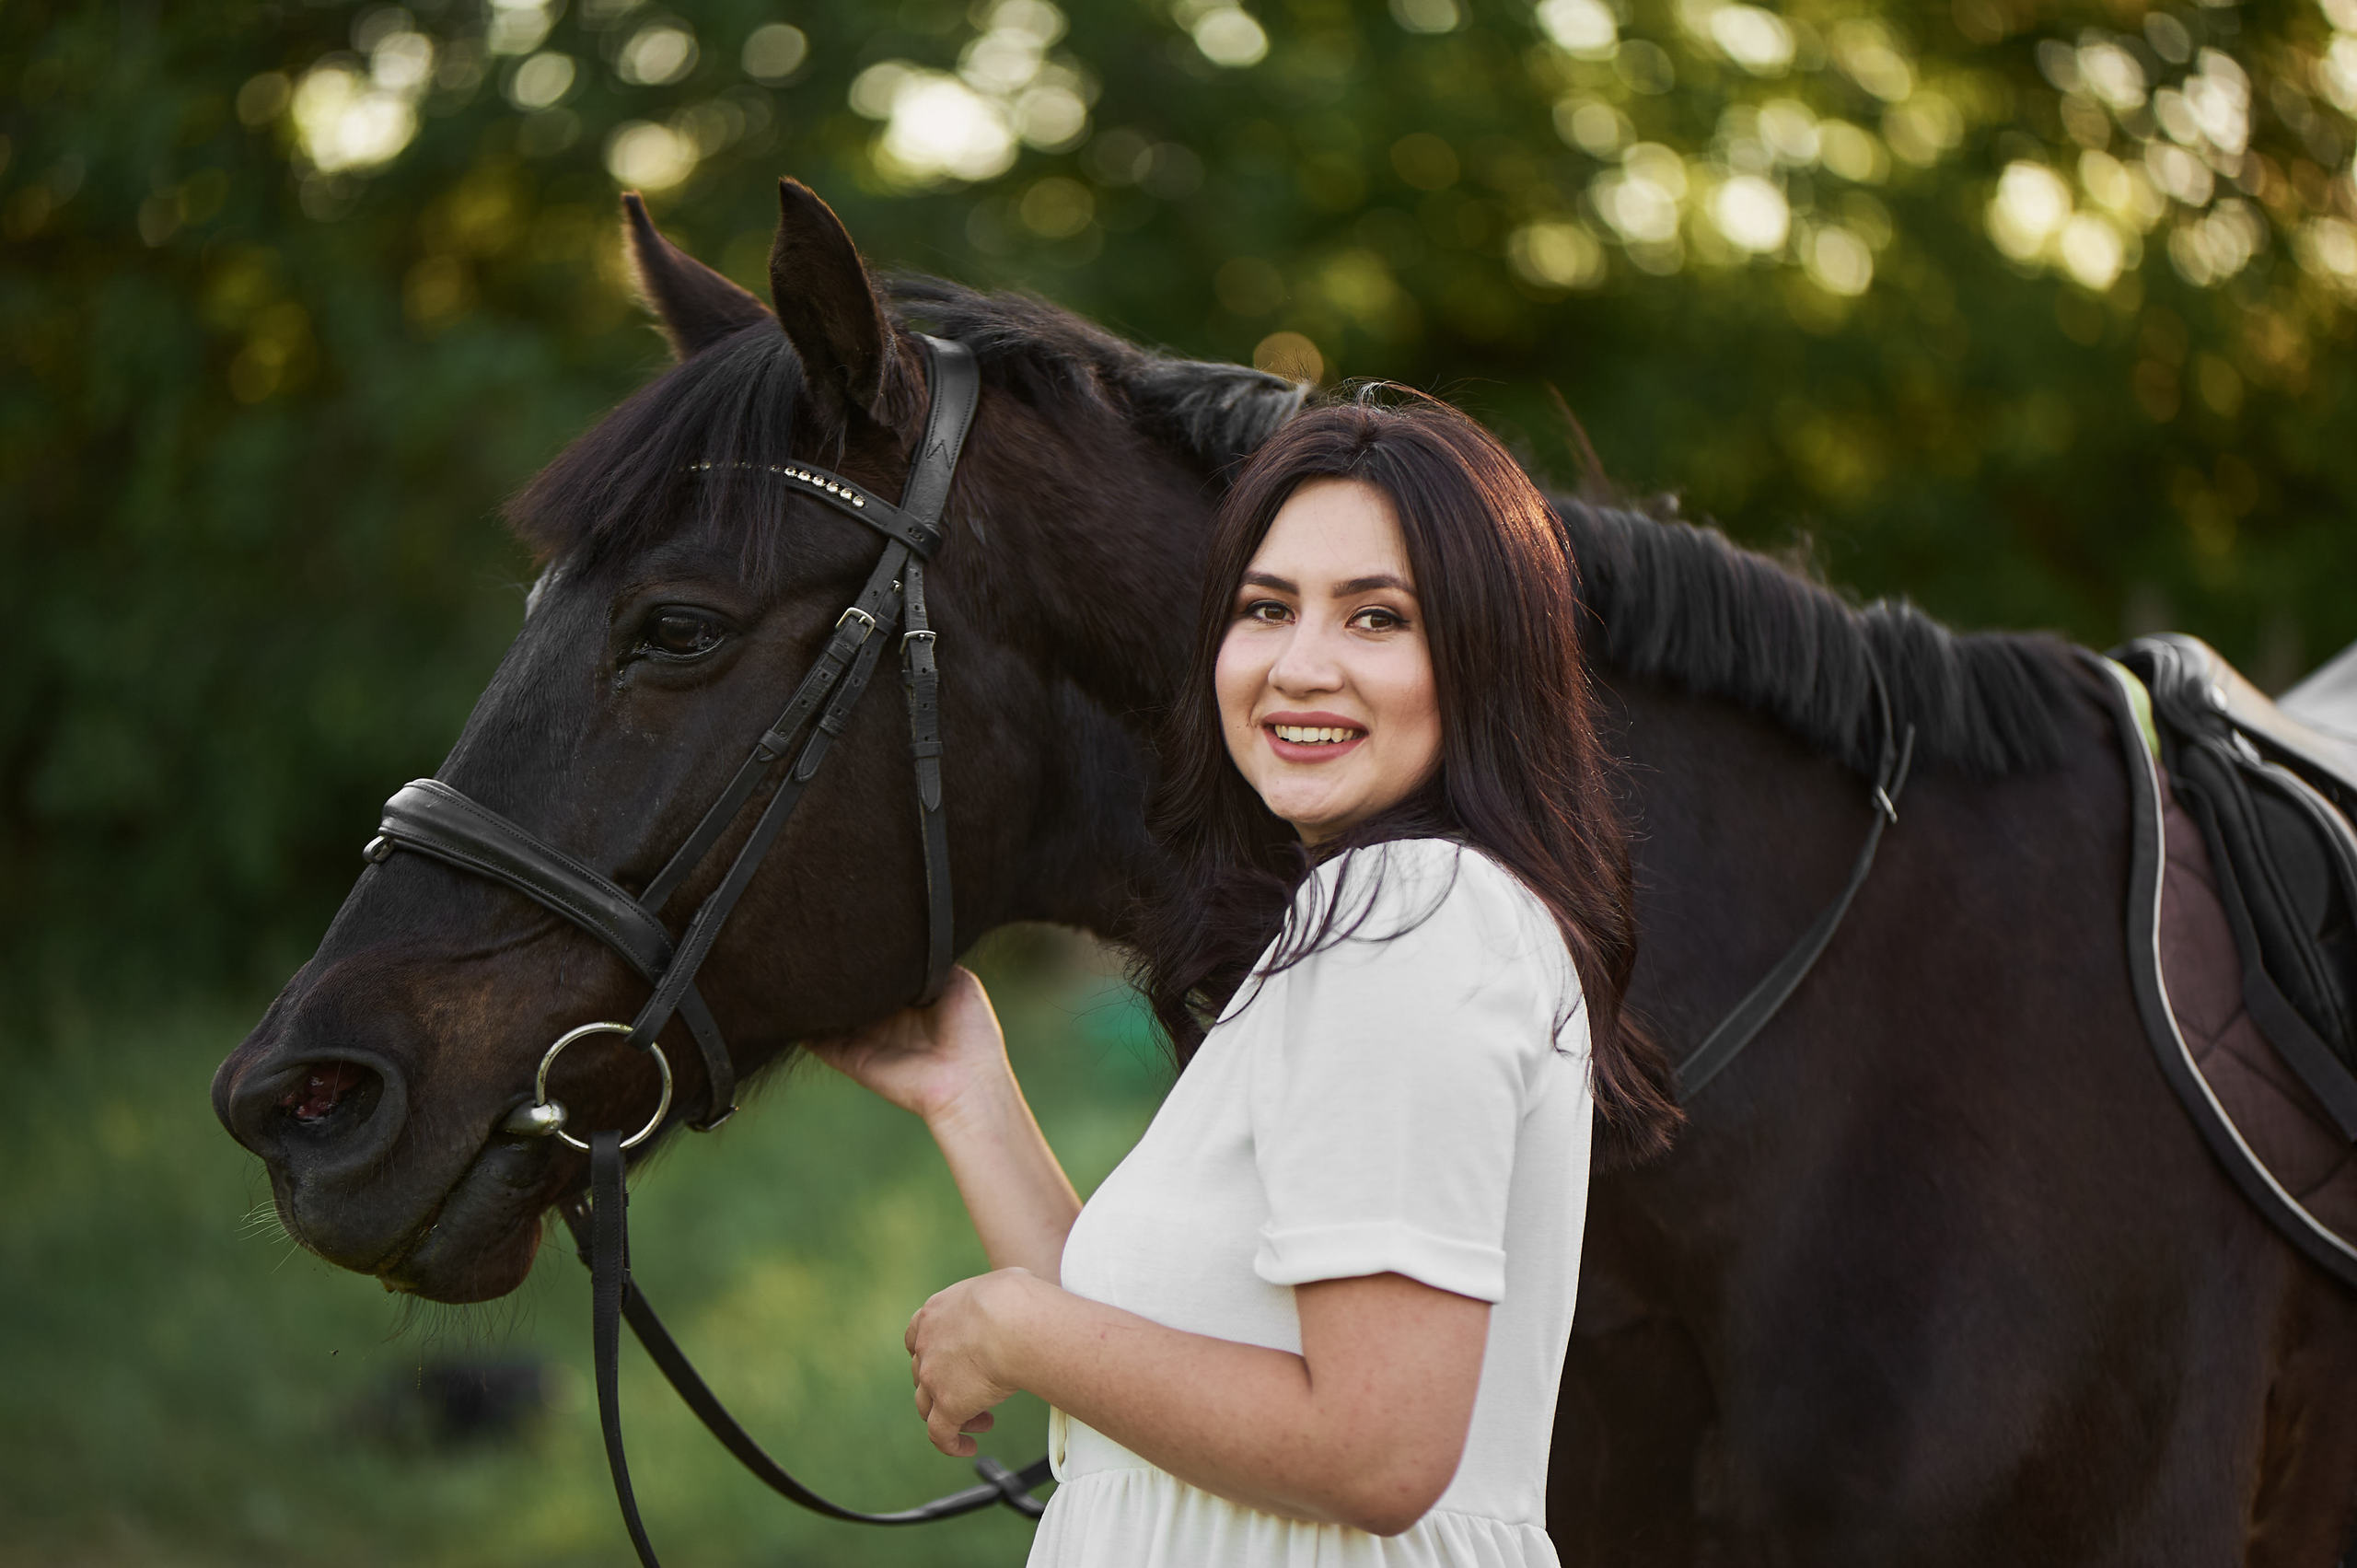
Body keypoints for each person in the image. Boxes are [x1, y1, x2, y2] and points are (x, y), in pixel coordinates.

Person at [809, 389, 1681, 1566]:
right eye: (1266, 609)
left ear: (1486, 659)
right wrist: (968, 1091)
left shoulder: (1413, 914)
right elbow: (1170, 1344)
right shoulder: (1361, 923)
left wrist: (1017, 1333)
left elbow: (1375, 1450)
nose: (1300, 665)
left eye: (1378, 619)